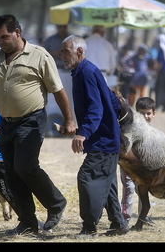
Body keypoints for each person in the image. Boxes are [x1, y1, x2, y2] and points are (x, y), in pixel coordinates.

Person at [0, 14, 76, 236]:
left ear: (17, 32)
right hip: (5, 123)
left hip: (31, 120)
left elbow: (58, 90)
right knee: (11, 172)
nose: (1, 41)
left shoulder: (39, 56)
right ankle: (27, 222)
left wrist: (68, 119)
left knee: (25, 166)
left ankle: (56, 203)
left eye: (5, 36)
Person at [60, 35, 128, 238]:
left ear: (79, 52)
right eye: (61, 51)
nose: (62, 55)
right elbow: (109, 99)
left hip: (103, 141)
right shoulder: (83, 71)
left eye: (66, 51)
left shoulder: (87, 72)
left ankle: (89, 228)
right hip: (104, 138)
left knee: (88, 177)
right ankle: (118, 223)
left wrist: (83, 133)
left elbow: (96, 108)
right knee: (106, 183)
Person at [120, 97, 156, 225]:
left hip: (144, 167)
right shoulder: (130, 128)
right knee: (128, 189)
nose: (145, 116)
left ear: (154, 114)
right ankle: (124, 219)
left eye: (148, 113)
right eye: (141, 113)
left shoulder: (153, 133)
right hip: (128, 166)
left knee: (143, 190)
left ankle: (143, 217)